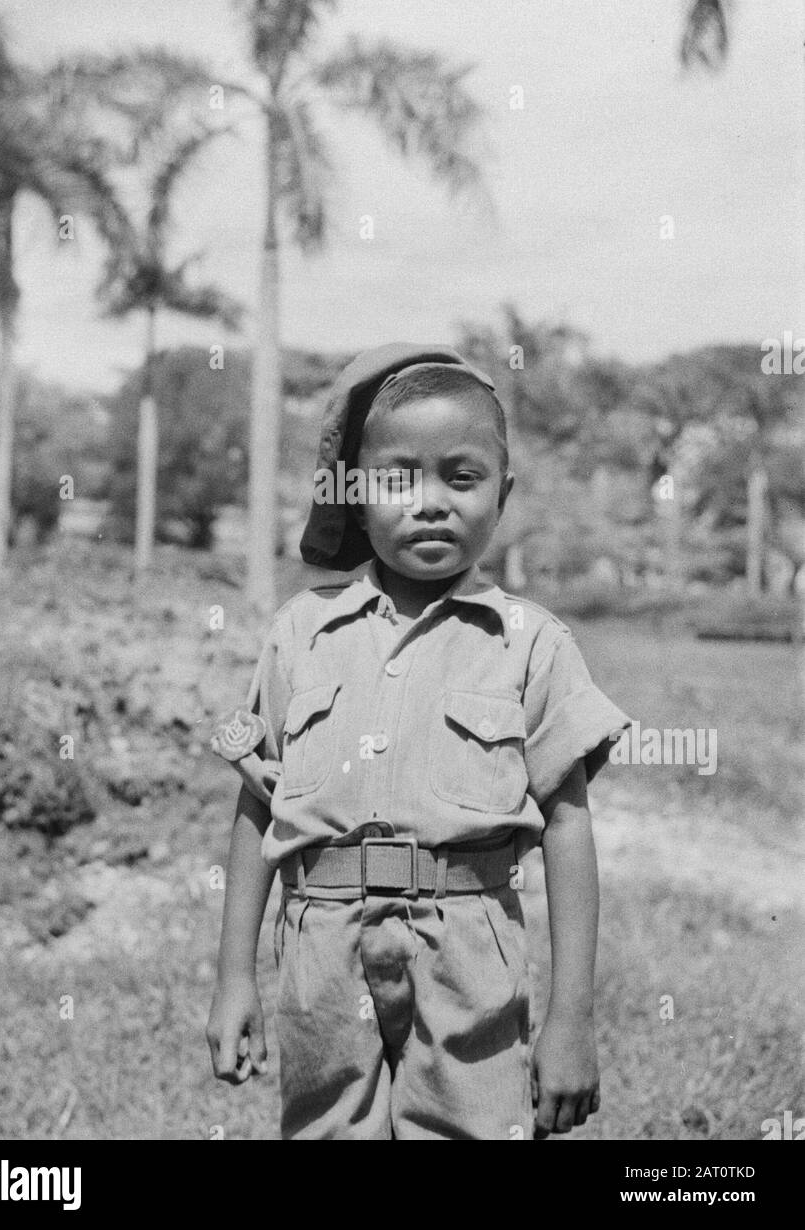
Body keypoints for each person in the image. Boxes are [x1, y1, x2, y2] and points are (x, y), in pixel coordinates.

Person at [206, 342, 630, 1140]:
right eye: (399, 479)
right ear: (356, 494)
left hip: (469, 951)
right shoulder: (301, 632)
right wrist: (235, 980)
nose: (430, 503)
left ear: (500, 495)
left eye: (460, 478)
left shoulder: (530, 643)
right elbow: (255, 808)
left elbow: (568, 829)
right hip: (320, 957)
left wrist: (570, 1019)